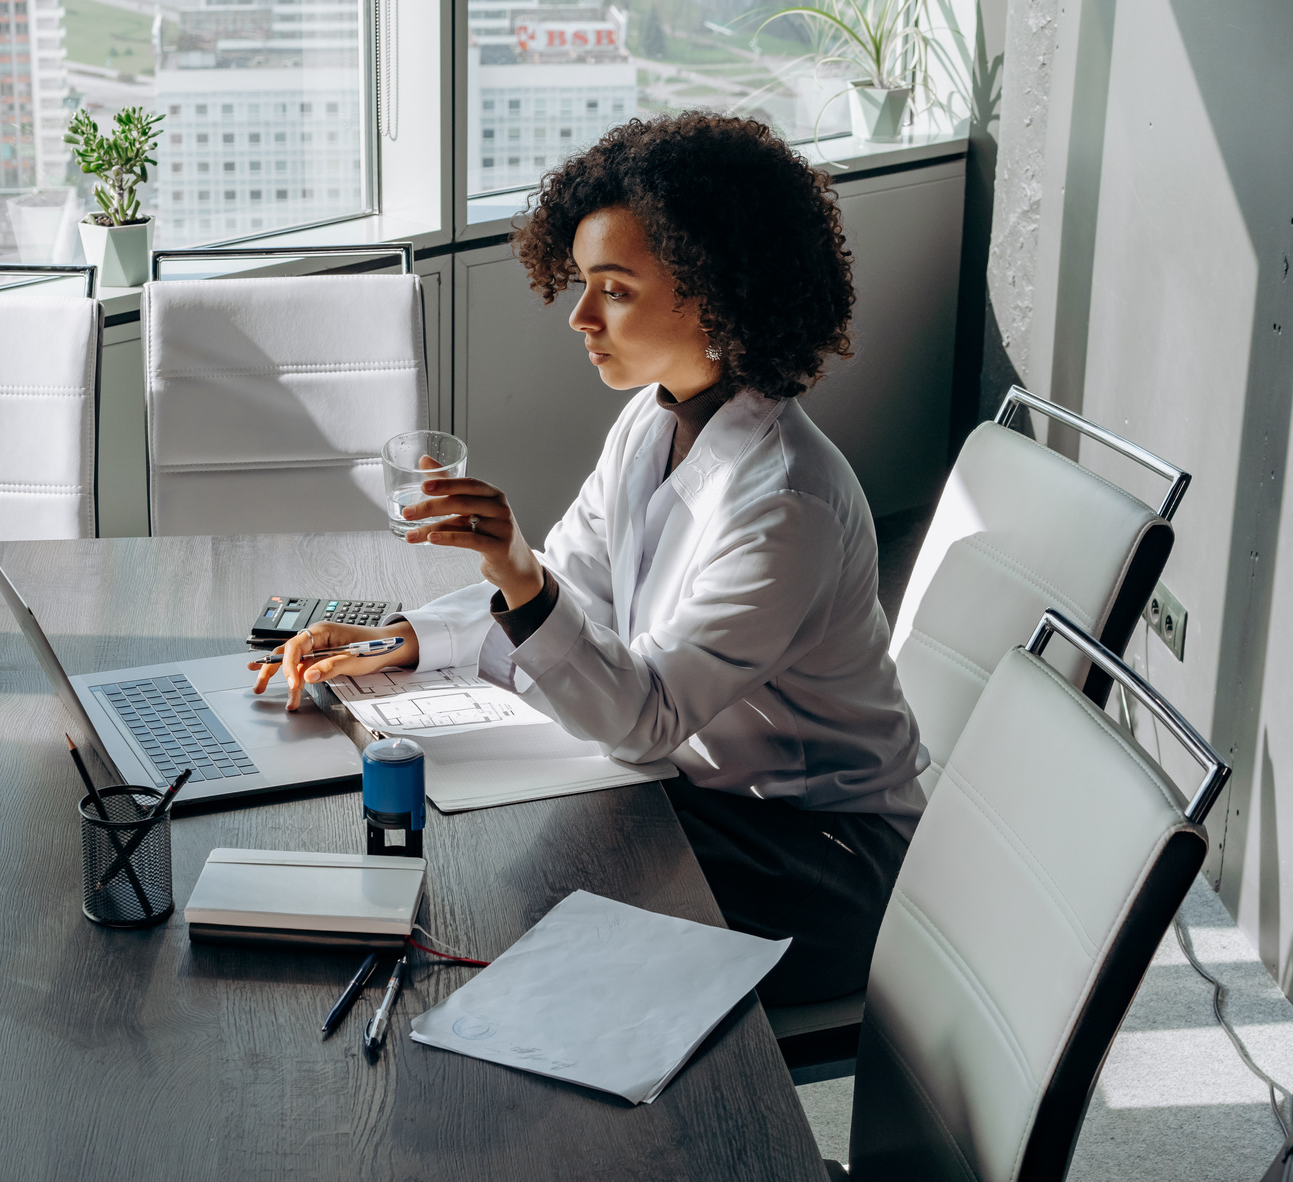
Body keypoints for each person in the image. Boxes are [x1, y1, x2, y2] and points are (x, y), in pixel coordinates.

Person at [250, 111, 926, 1006]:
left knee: (515, 893)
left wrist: (518, 574)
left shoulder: (785, 502)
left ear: (716, 292)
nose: (578, 317)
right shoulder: (655, 419)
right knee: (494, 850)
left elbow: (646, 713)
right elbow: (574, 589)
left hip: (821, 861)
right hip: (701, 797)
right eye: (581, 284)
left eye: (613, 289)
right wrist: (402, 641)